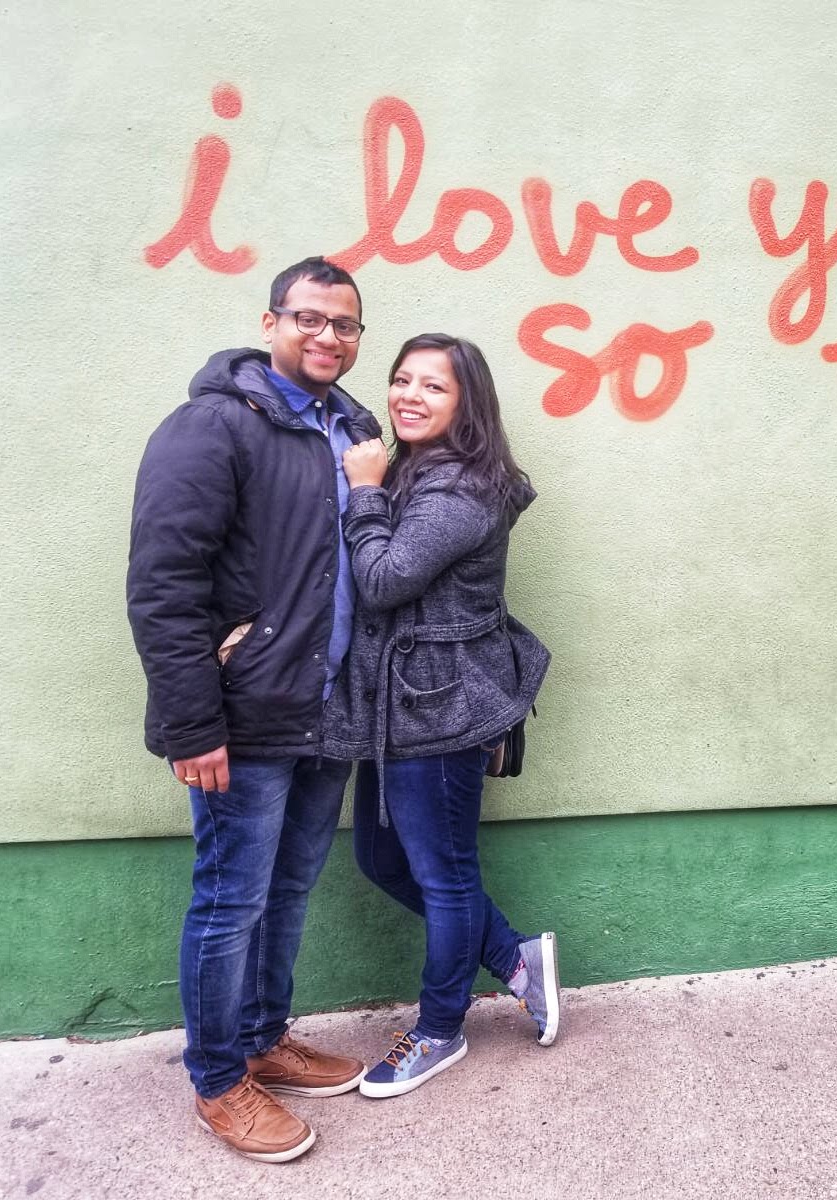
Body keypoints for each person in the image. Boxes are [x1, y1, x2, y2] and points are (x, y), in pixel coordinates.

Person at [126, 257, 381, 1162]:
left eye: (344, 324)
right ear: (270, 322)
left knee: (289, 888)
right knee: (230, 900)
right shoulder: (214, 425)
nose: (327, 336)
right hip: (245, 714)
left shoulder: (354, 430)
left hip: (329, 709)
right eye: (309, 318)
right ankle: (217, 1078)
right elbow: (164, 584)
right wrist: (192, 724)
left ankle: (264, 1038)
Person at [322, 332, 557, 1099]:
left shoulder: (460, 489)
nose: (409, 396)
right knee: (381, 860)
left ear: (467, 403)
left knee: (445, 875)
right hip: (398, 708)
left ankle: (440, 1029)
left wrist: (363, 491)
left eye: (433, 386)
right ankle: (517, 958)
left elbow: (385, 580)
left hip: (441, 706)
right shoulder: (418, 471)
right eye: (402, 380)